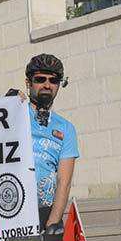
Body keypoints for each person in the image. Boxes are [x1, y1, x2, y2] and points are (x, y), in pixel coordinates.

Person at [25, 53, 79, 229]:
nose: (47, 85)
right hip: (12, 209)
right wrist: (6, 104)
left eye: (53, 80)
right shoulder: (11, 114)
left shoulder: (66, 128)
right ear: (28, 83)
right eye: (40, 79)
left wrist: (53, 223)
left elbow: (64, 181)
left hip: (45, 212)